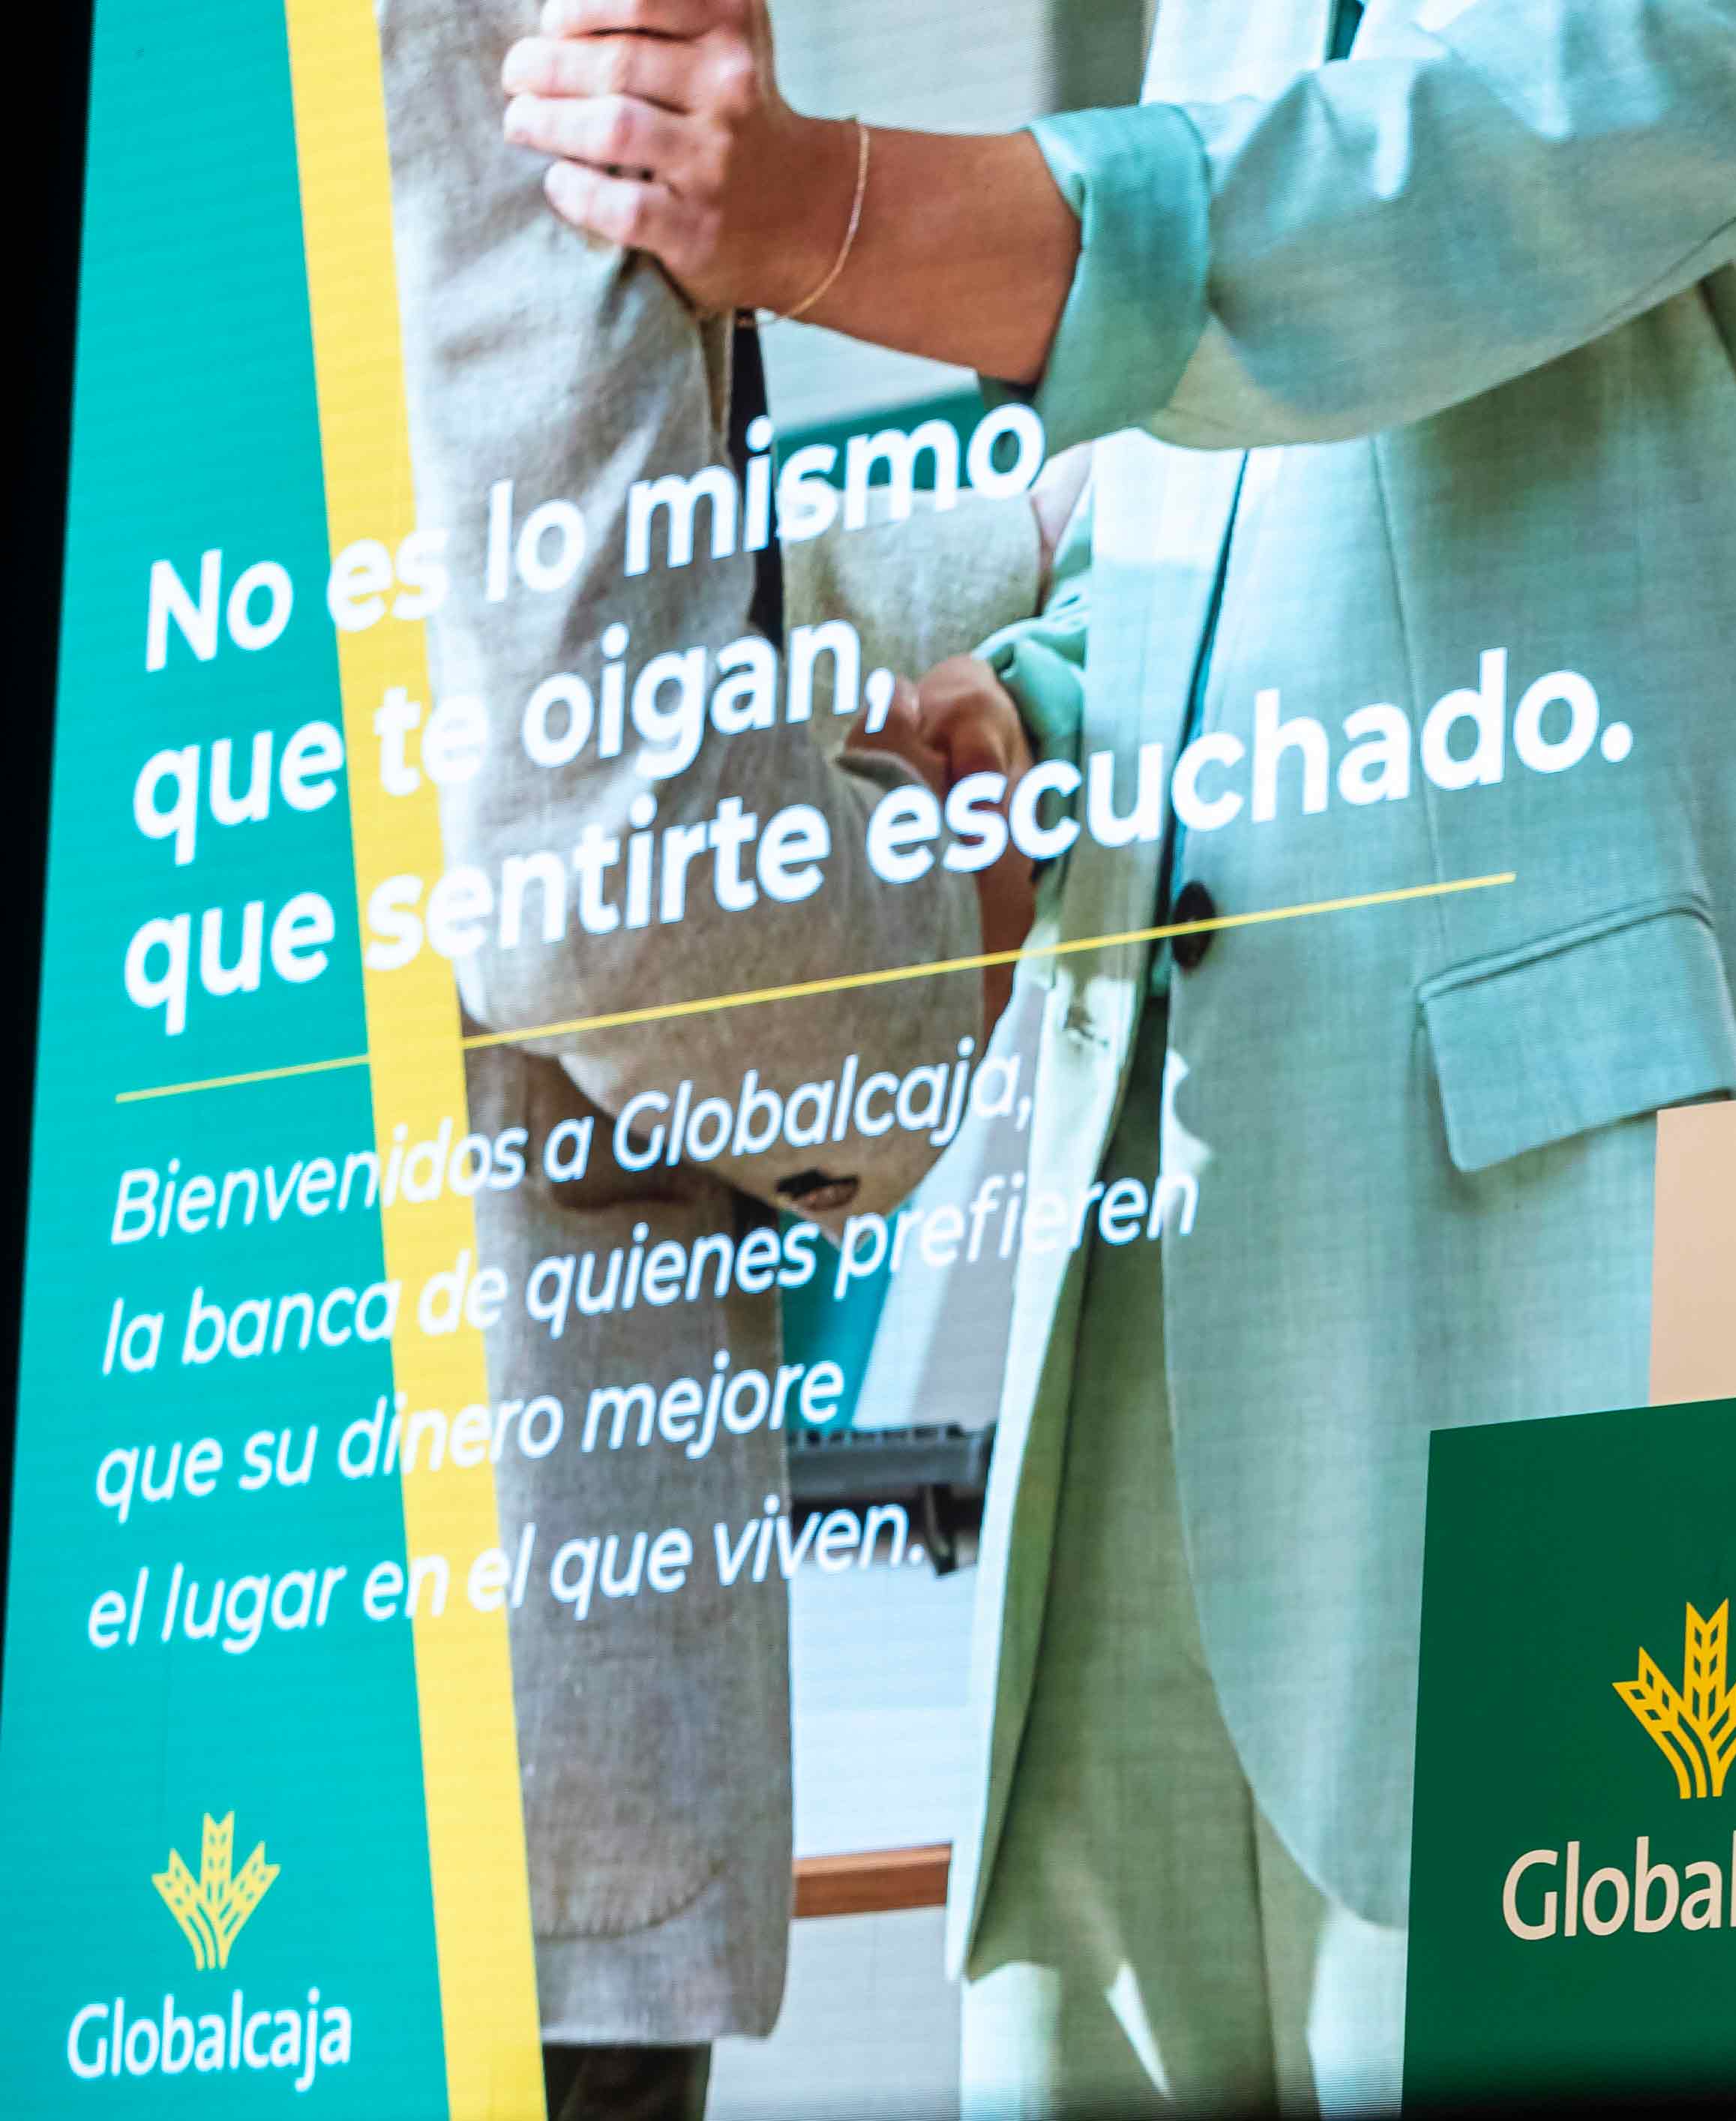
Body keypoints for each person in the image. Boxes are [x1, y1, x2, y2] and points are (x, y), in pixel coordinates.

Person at [500, 0, 1736, 2107]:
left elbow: (1374, 224)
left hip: (1529, 1296)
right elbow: (1209, 538)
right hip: (1137, 1275)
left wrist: (829, 208)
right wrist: (1035, 708)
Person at [378, 6, 1050, 2114]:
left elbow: (431, 637)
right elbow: (608, 858)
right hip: (455, 1725)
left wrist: (1072, 543)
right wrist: (952, 931)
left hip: (152, 1668)